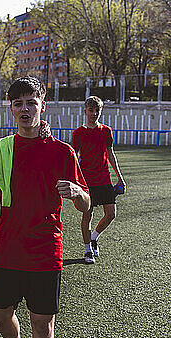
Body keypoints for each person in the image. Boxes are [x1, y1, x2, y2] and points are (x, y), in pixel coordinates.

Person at [0, 76, 90, 338]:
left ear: (43, 105)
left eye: (32, 102)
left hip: (46, 252)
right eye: (19, 104)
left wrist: (77, 193)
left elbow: (87, 202)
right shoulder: (0, 150)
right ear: (11, 108)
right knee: (1, 314)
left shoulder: (63, 151)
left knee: (43, 326)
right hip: (7, 250)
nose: (26, 109)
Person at [71, 96, 126, 264]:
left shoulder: (106, 131)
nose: (94, 113)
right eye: (91, 110)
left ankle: (94, 237)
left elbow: (110, 154)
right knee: (87, 214)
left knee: (111, 214)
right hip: (86, 181)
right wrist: (74, 180)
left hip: (104, 179)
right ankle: (88, 250)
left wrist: (120, 178)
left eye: (97, 110)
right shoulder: (78, 133)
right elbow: (73, 157)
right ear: (85, 111)